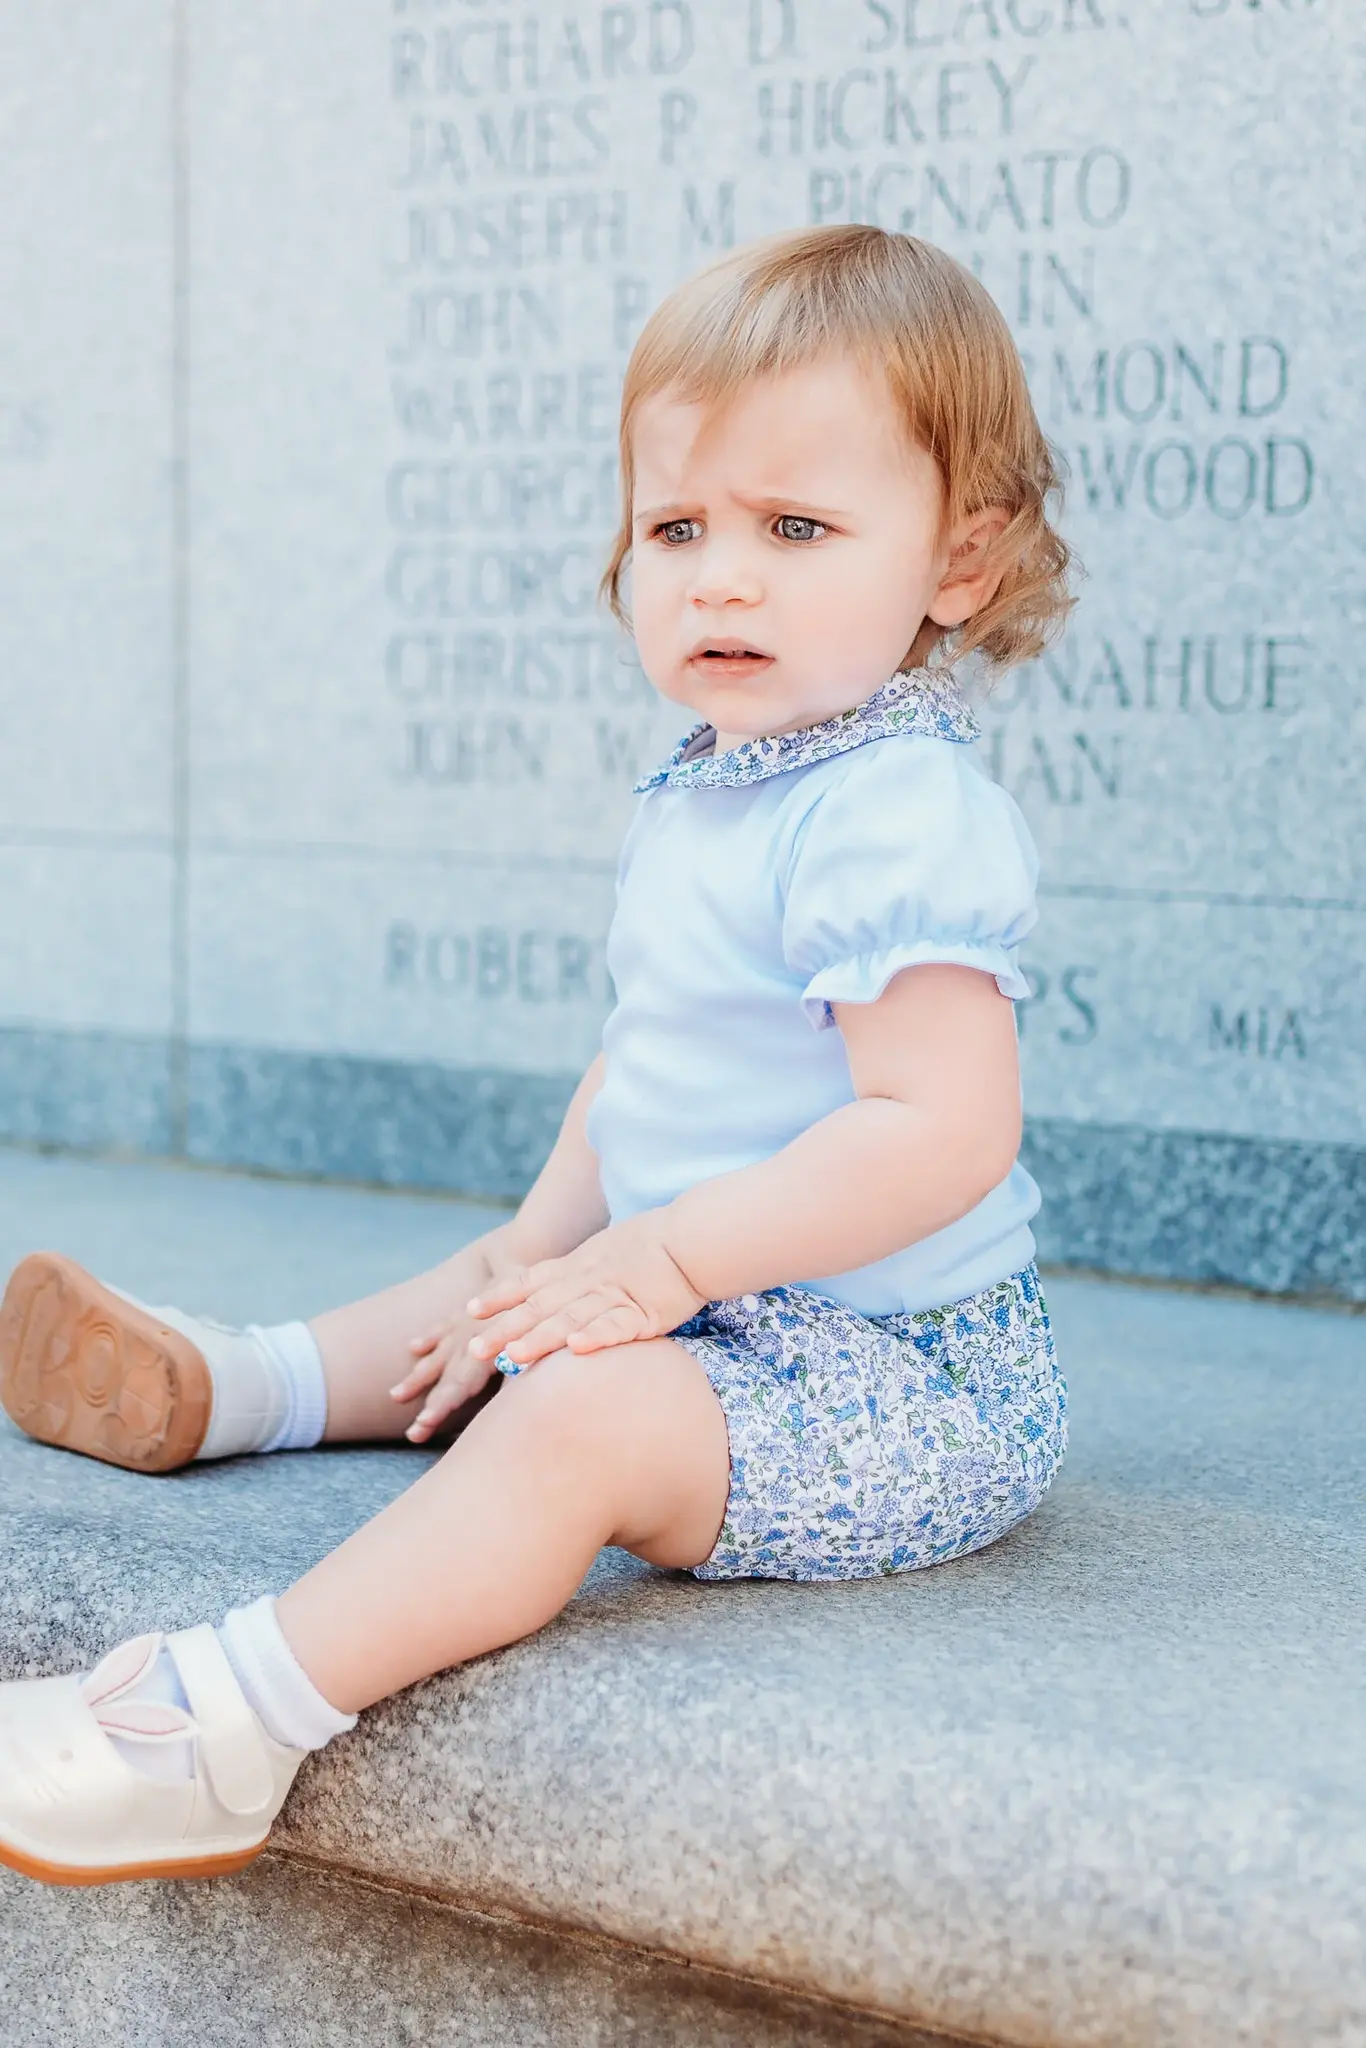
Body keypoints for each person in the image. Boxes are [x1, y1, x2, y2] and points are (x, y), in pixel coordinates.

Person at [0, 224, 1072, 1888]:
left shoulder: (894, 812)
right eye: (677, 526)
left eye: (797, 527)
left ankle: (227, 1722)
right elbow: (650, 1054)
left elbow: (938, 1127)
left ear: (960, 563)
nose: (722, 575)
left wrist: (656, 1258)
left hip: (893, 1383)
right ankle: (241, 1385)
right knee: (496, 1291)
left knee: (577, 1406)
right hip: (715, 1300)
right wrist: (551, 1234)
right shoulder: (718, 775)